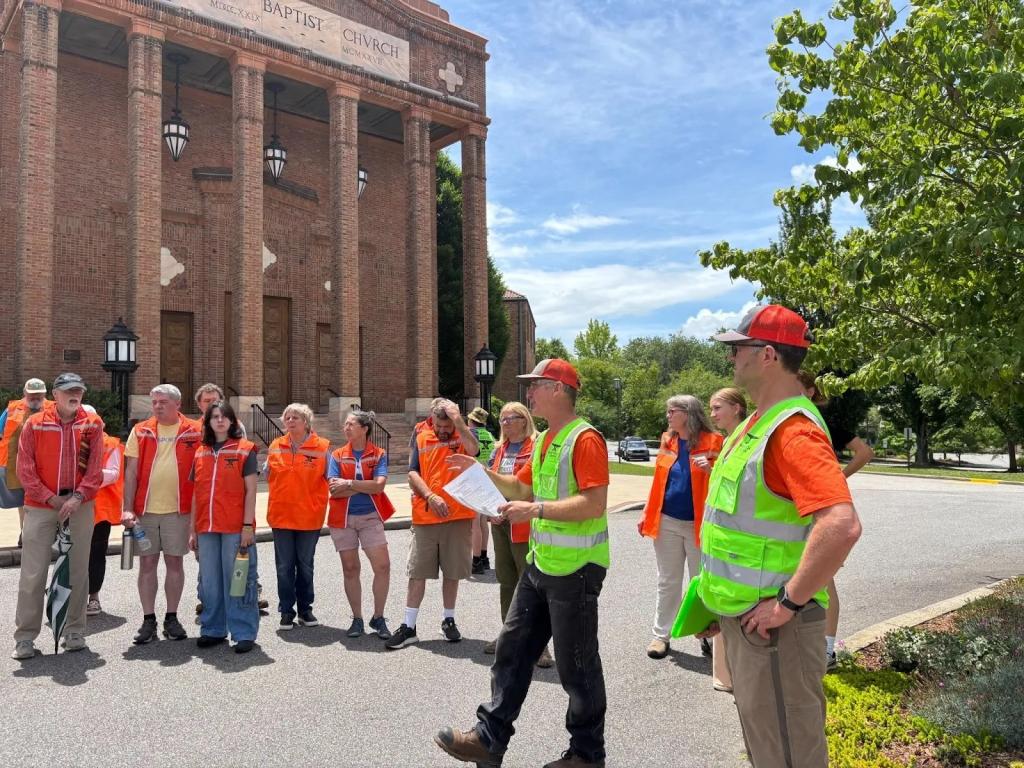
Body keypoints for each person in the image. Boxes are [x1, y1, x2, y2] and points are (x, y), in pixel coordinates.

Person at [695, 305, 862, 767]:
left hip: (775, 631)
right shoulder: (754, 426)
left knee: (787, 755)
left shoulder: (792, 431)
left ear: (767, 355)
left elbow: (841, 525)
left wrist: (787, 603)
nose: (731, 358)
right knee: (769, 748)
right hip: (747, 621)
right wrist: (718, 603)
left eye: (738, 349)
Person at [435, 358, 611, 768]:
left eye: (535, 386)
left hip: (578, 568)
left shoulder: (584, 439)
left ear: (558, 390)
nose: (528, 394)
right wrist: (481, 471)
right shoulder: (549, 438)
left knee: (577, 668)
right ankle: (487, 739)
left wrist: (535, 511)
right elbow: (520, 485)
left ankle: (586, 755)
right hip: (542, 564)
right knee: (512, 651)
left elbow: (595, 503)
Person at [12, 373, 105, 659]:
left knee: (77, 570)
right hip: (42, 505)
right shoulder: (35, 423)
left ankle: (74, 631)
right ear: (55, 393)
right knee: (33, 573)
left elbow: (95, 469)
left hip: (79, 505)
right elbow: (25, 469)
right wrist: (51, 498)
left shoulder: (92, 425)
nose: (74, 394)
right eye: (68, 390)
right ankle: (25, 637)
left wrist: (77, 498)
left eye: (78, 390)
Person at [385, 399, 479, 650]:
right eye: (440, 425)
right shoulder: (421, 434)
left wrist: (458, 421)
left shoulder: (463, 433)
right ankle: (409, 626)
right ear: (432, 420)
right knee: (418, 572)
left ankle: (449, 620)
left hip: (458, 515)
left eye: (447, 426)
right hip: (427, 514)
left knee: (453, 572)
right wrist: (430, 496)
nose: (443, 430)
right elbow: (412, 472)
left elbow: (474, 450)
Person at [797, 370, 875, 668]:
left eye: (798, 388)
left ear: (811, 391)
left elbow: (864, 452)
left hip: (822, 507)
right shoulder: (788, 421)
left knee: (823, 578)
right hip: (795, 507)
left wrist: (838, 477)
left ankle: (827, 650)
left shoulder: (823, 421)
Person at [639, 395, 723, 660]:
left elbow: (729, 483)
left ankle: (707, 635)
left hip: (701, 525)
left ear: (687, 413)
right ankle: (660, 636)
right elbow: (658, 482)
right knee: (668, 581)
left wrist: (711, 469)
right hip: (667, 522)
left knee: (702, 582)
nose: (667, 415)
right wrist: (646, 512)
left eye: (671, 411)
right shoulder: (669, 441)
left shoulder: (715, 442)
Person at [121, 384, 202, 645]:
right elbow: (131, 472)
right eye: (154, 401)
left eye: (163, 402)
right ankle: (148, 620)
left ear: (177, 404)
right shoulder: (141, 430)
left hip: (179, 511)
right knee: (147, 564)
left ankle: (172, 617)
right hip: (145, 510)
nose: (157, 406)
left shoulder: (195, 430)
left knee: (175, 563)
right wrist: (127, 507)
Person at [481, 401, 553, 668]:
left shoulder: (536, 448)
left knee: (531, 585)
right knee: (507, 580)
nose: (505, 423)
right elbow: (491, 484)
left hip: (525, 524)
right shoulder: (498, 450)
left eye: (510, 418)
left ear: (524, 420)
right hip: (500, 523)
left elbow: (533, 486)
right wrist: (491, 509)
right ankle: (508, 636)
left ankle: (540, 645)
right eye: (501, 419)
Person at [188, 401, 260, 653]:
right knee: (210, 581)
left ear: (232, 422)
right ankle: (213, 629)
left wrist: (248, 526)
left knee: (238, 580)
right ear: (208, 422)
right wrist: (192, 530)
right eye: (214, 417)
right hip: (206, 528)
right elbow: (196, 494)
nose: (219, 420)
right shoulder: (200, 452)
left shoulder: (245, 450)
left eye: (224, 417)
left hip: (235, 527)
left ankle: (243, 632)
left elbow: (251, 491)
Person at [328, 410, 394, 639]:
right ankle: (357, 618)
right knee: (350, 569)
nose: (346, 428)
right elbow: (333, 489)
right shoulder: (336, 455)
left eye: (351, 424)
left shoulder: (378, 454)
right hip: (342, 519)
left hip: (370, 516)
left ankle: (378, 617)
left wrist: (348, 483)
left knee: (382, 566)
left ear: (365, 428)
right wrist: (361, 485)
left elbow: (379, 487)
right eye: (345, 424)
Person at [265, 403, 329, 630]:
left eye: (295, 417)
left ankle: (305, 609)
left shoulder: (322, 447)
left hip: (308, 516)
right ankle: (286, 611)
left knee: (305, 565)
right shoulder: (275, 445)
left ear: (306, 422)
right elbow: (266, 473)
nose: (290, 421)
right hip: (281, 515)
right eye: (287, 417)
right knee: (283, 566)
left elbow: (332, 479)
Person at [706, 386, 748, 693]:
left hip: (739, 550)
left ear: (736, 408)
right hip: (722, 547)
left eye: (718, 407)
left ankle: (731, 676)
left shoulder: (748, 437)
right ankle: (725, 675)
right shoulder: (728, 440)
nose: (712, 413)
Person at [0, 378, 52, 546]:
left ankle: (46, 534)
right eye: (32, 395)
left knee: (47, 500)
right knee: (24, 501)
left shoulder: (55, 409)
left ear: (45, 394)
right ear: (24, 394)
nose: (35, 399)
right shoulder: (11, 410)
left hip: (47, 464)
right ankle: (26, 534)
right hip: (18, 465)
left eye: (39, 395)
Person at [87, 425, 124, 616]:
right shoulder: (69, 438)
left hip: (100, 510)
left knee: (95, 553)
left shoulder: (109, 444)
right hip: (73, 507)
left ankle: (94, 598)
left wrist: (86, 476)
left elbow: (114, 473)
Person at [468, 406, 496, 574]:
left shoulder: (471, 434)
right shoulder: (490, 436)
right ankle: (485, 557)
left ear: (471, 420)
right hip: (488, 479)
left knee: (475, 522)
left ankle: (476, 560)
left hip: (474, 479)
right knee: (484, 521)